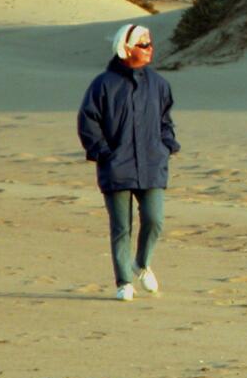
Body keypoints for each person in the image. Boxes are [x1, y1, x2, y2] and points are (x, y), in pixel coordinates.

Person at [77, 23, 181, 301]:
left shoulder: (159, 84)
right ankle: (124, 281)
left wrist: (167, 144)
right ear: (125, 48)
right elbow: (88, 122)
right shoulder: (103, 84)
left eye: (150, 43)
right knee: (121, 227)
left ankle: (142, 263)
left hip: (152, 165)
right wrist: (102, 152)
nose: (150, 49)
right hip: (117, 166)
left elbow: (165, 120)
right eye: (143, 44)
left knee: (155, 219)